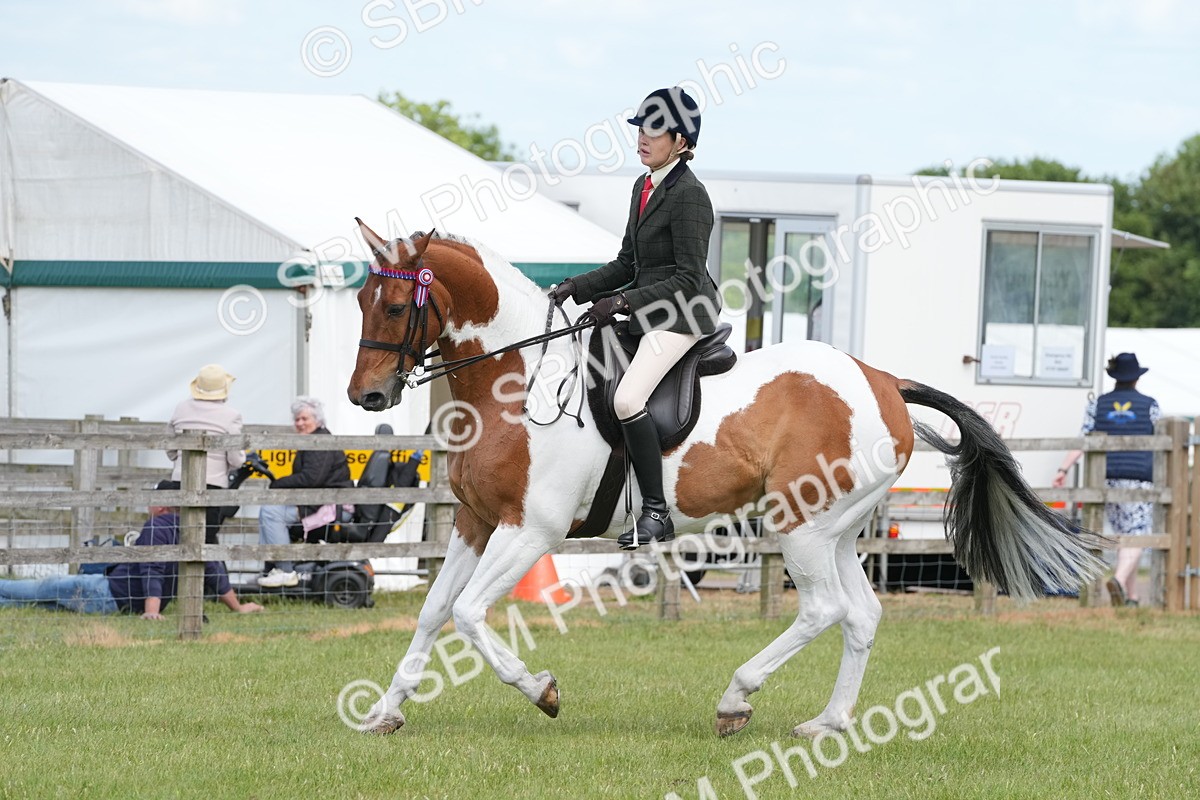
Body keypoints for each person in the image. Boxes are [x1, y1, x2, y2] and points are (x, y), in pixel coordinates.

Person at [548, 87, 721, 550]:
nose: (642, 137)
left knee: (626, 399)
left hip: (685, 314)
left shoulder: (690, 196)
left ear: (681, 142)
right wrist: (576, 287)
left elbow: (688, 278)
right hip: (651, 310)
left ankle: (656, 512)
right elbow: (627, 262)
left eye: (655, 130)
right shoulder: (643, 186)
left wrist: (624, 303)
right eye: (641, 128)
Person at [0, 499, 263, 618]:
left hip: (108, 592)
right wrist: (238, 608)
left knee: (40, 588)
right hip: (121, 605)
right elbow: (214, 569)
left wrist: (151, 611)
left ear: (162, 506)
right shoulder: (192, 529)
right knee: (41, 604)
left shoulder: (158, 524)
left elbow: (152, 567)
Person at [1053, 353, 1160, 606]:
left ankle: (1130, 598)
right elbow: (1161, 440)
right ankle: (1120, 581)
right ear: (1136, 378)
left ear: (1115, 378)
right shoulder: (1150, 405)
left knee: (1125, 534)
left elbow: (1083, 439)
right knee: (1138, 535)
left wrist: (1063, 469)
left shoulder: (1098, 405)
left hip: (1106, 477)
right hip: (1139, 479)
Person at [257, 396, 353, 587]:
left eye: (304, 419)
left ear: (317, 420)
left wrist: (278, 484)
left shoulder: (321, 441)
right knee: (268, 510)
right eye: (297, 419)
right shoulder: (312, 440)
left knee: (270, 512)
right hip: (318, 501)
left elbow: (311, 478)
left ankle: (285, 570)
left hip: (330, 505)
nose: (300, 423)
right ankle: (272, 568)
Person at [165, 364, 245, 544]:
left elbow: (169, 446)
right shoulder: (231, 415)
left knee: (178, 536)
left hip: (181, 481)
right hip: (213, 484)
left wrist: (179, 459)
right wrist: (230, 465)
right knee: (206, 539)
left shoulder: (181, 408)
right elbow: (235, 458)